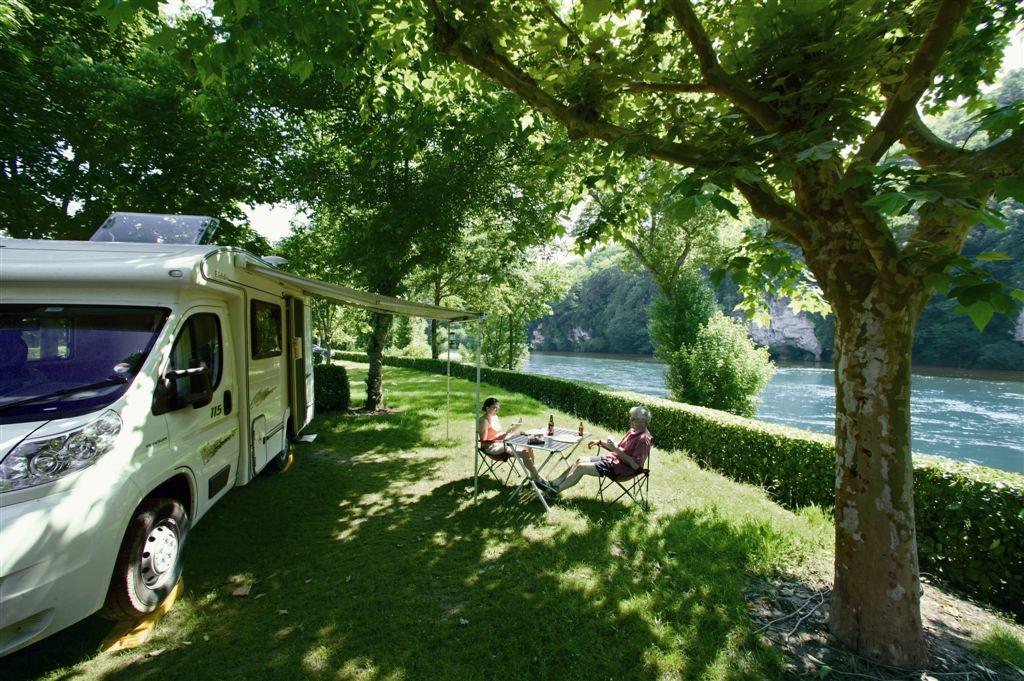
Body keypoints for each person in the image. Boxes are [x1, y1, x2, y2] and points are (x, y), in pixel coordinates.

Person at [548, 406, 652, 495]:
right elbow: (618, 448)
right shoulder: (633, 431)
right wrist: (600, 442)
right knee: (580, 460)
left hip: (621, 470)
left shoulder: (643, 439)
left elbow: (636, 466)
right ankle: (553, 483)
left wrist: (616, 449)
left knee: (581, 467)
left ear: (642, 421)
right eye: (631, 418)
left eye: (633, 419)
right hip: (613, 461)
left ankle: (554, 491)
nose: (630, 420)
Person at [478, 397, 552, 489]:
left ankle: (533, 477)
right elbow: (483, 441)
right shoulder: (484, 421)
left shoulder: (494, 417)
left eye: (498, 408)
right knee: (524, 453)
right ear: (487, 408)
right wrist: (504, 435)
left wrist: (512, 430)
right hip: (491, 447)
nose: (496, 410)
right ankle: (538, 478)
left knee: (528, 446)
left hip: (502, 442)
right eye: (494, 408)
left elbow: (498, 433)